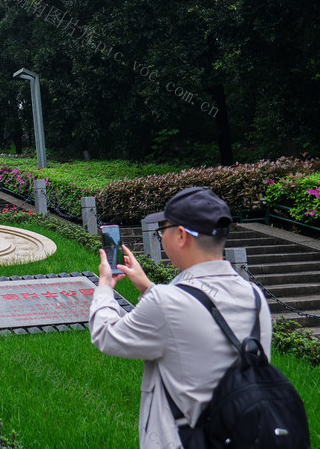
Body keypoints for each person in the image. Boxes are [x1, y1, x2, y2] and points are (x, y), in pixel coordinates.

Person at [88, 186, 271, 449]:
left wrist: (104, 286)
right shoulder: (255, 296)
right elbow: (194, 324)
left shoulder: (166, 302)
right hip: (244, 434)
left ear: (181, 235)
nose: (162, 238)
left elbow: (107, 336)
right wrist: (148, 288)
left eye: (163, 230)